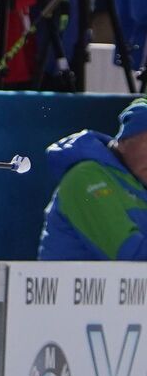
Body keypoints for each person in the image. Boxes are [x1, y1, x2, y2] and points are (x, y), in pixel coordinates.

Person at [37, 98, 147, 260]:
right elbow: (131, 256)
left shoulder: (138, 179)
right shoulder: (86, 177)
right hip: (68, 285)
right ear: (123, 142)